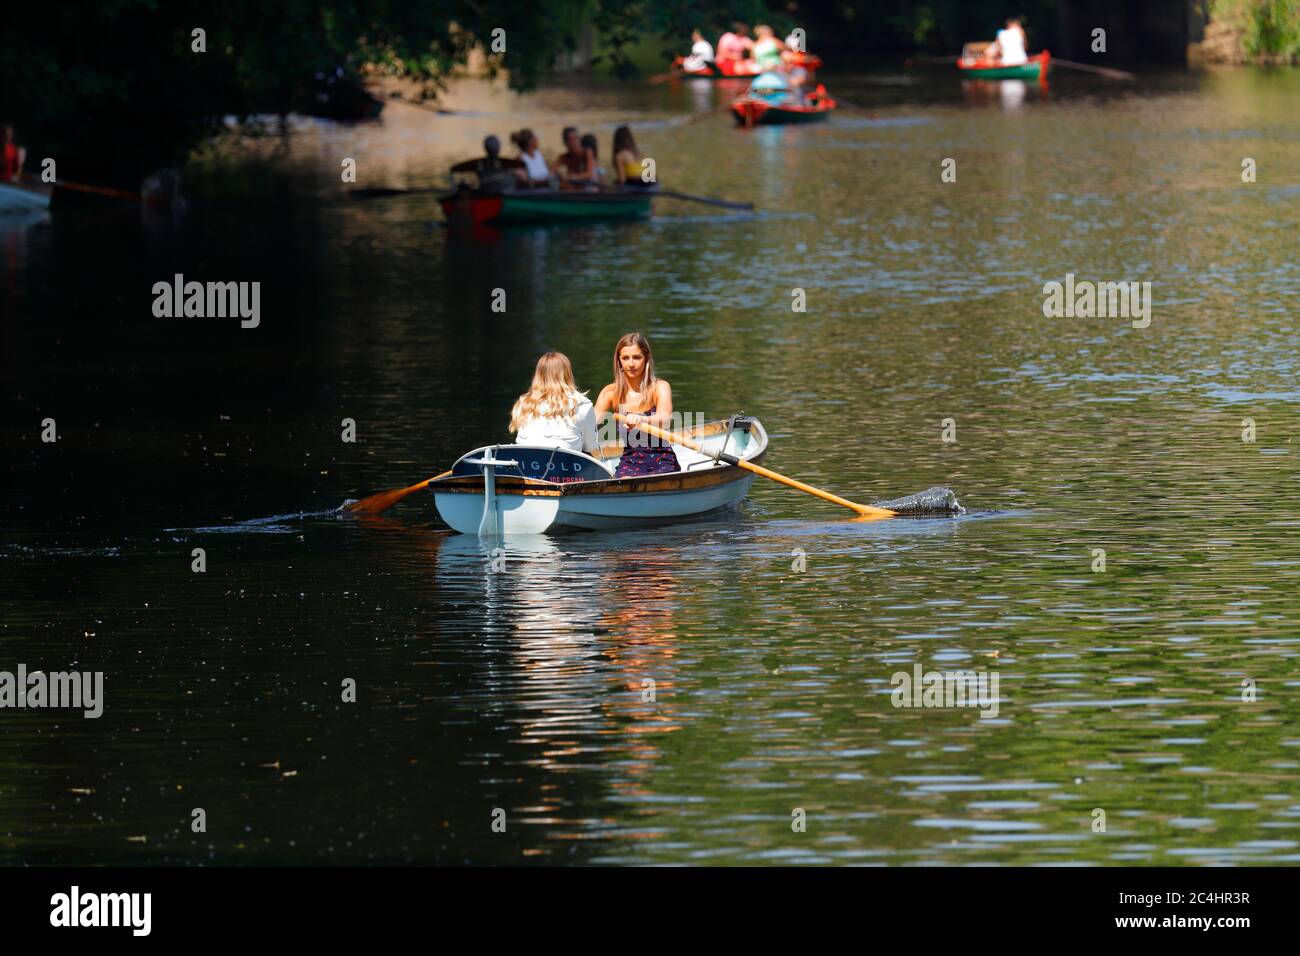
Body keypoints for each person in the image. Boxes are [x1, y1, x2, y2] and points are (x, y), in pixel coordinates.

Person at [594, 332, 681, 478]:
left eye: (637, 357)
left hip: (662, 461)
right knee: (624, 482)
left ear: (646, 358)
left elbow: (664, 418)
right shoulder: (610, 392)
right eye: (625, 358)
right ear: (619, 361)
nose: (631, 364)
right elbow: (590, 423)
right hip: (630, 463)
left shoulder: (660, 387)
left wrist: (642, 419)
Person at [509, 352, 599, 454]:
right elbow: (590, 447)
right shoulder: (582, 405)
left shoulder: (523, 404)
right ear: (568, 374)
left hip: (525, 464)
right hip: (564, 465)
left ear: (538, 375)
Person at [450, 135, 523, 192]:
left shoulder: (479, 165)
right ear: (499, 148)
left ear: (485, 148)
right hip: (504, 194)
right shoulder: (510, 164)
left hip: (489, 194)